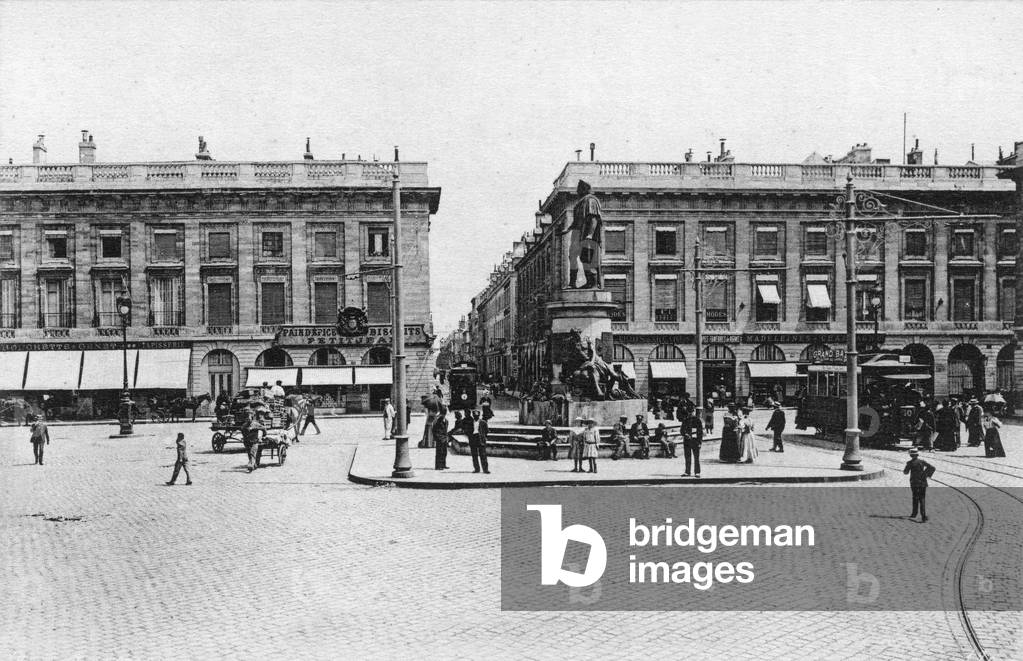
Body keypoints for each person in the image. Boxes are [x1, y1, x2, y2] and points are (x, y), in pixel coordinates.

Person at [903, 447, 936, 522]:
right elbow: (932, 468)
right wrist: (926, 474)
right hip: (922, 482)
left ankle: (914, 513)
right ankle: (923, 516)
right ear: (917, 455)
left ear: (910, 455)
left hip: (914, 482)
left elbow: (905, 472)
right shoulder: (922, 462)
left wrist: (906, 468)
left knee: (915, 497)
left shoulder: (909, 463)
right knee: (922, 498)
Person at [468, 409, 490, 474]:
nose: (476, 417)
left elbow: (486, 431)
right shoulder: (470, 422)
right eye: (474, 416)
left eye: (477, 416)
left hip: (480, 439)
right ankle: (476, 469)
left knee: (483, 455)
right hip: (473, 438)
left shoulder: (483, 422)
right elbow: (467, 430)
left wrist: (483, 437)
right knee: (474, 455)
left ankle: (485, 469)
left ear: (479, 416)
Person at [681, 412, 702, 477]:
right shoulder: (685, 420)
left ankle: (697, 472)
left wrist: (700, 442)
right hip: (687, 441)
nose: (690, 414)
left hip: (695, 441)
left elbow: (700, 432)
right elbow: (681, 430)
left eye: (691, 412)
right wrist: (685, 434)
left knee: (696, 457)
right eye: (689, 412)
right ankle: (687, 472)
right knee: (687, 457)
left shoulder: (697, 420)